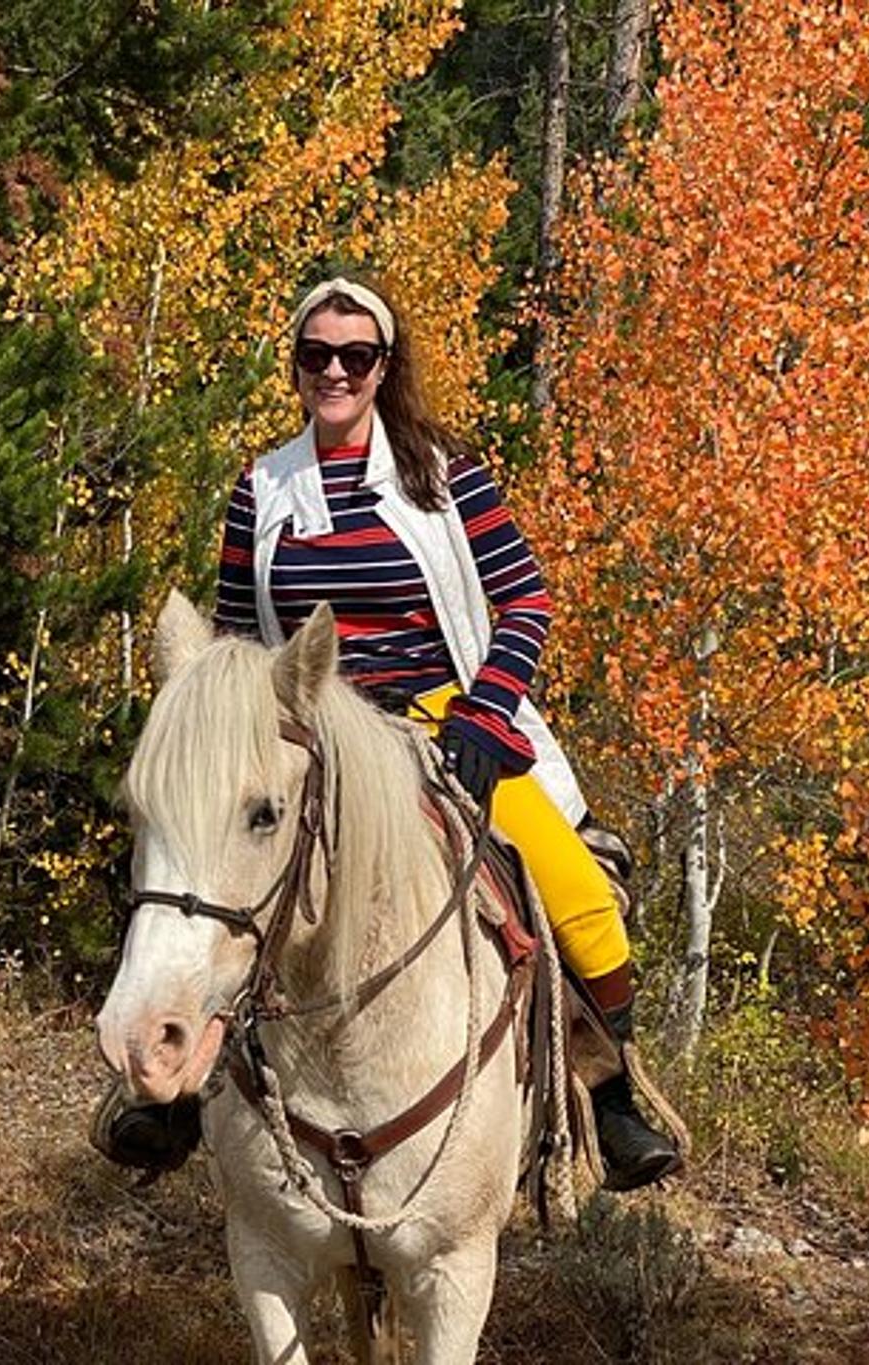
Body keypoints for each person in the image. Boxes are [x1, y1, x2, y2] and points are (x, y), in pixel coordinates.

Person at [101, 277, 677, 1190]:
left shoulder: (442, 476)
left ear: (383, 367)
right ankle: (168, 1096)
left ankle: (606, 1101)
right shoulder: (264, 487)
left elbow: (525, 595)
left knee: (580, 900)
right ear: (294, 365)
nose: (335, 370)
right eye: (316, 354)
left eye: (355, 355)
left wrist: (487, 715)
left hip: (444, 725)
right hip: (303, 737)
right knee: (183, 867)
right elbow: (233, 635)